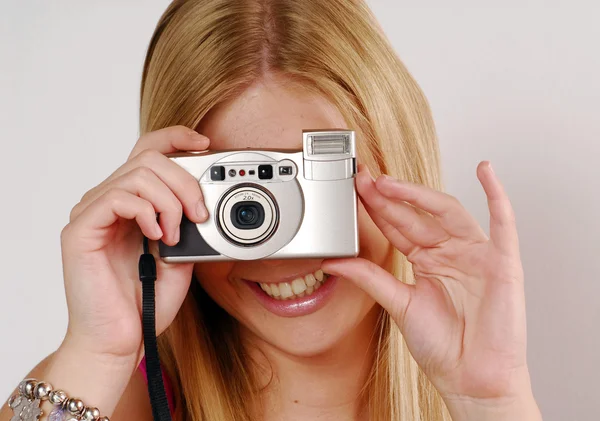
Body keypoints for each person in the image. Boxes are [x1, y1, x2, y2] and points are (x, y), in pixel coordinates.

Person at [1, 1, 543, 420]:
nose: (278, 247)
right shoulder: (106, 396)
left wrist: (494, 405)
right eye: (234, 200)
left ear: (392, 157)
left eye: (307, 181)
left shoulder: (483, 390)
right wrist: (95, 353)